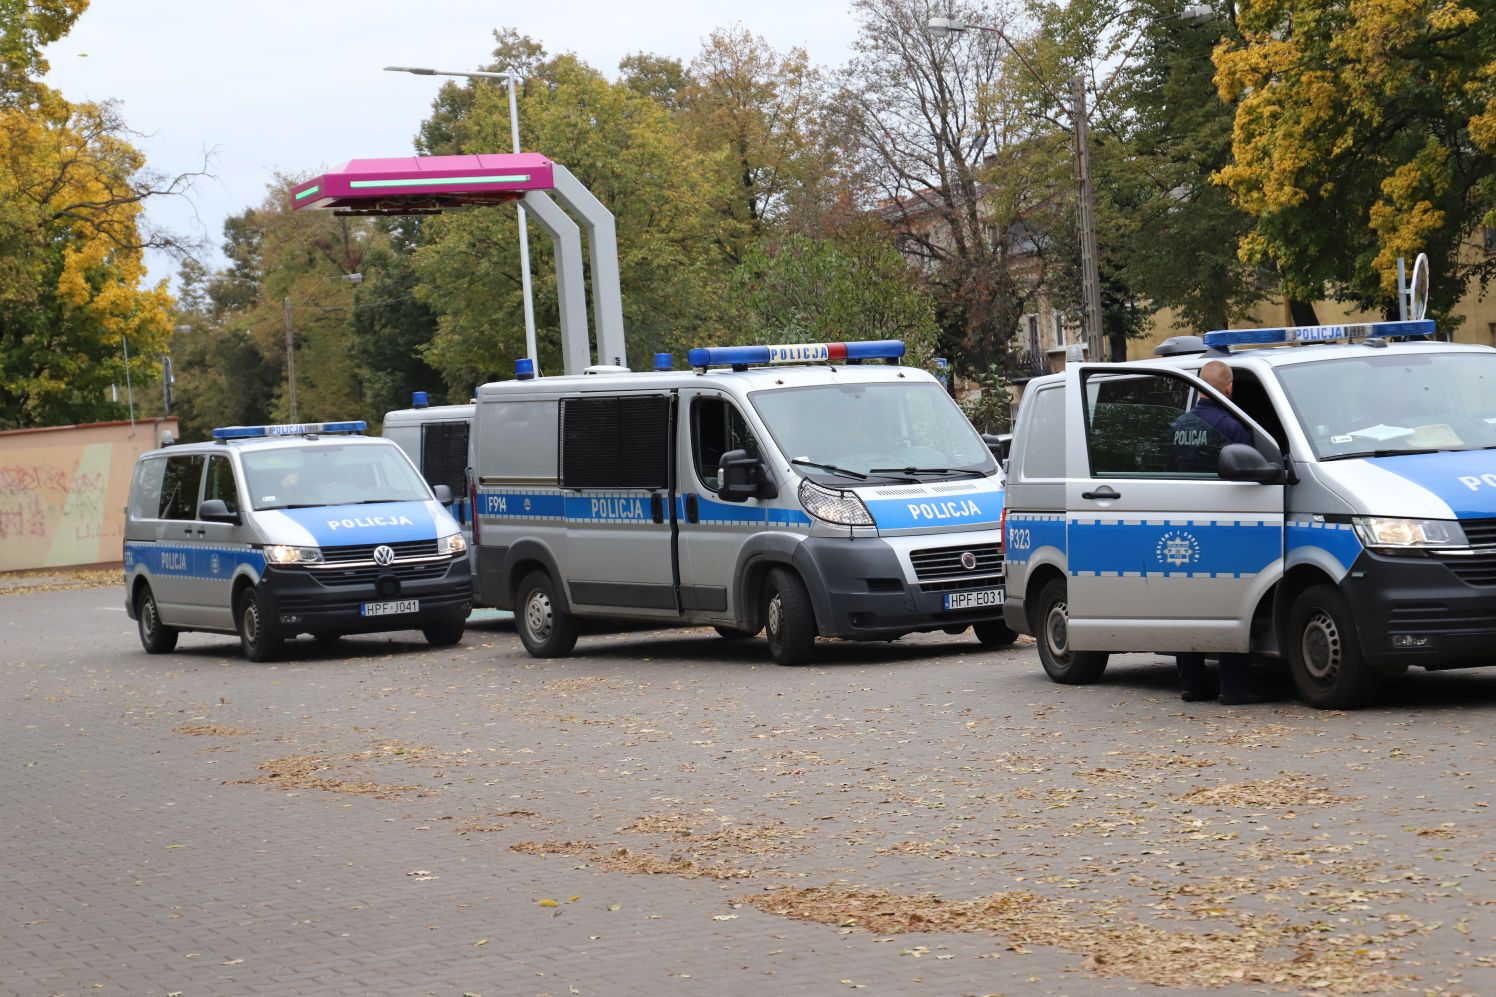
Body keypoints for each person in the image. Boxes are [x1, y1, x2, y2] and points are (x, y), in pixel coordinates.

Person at [1169, 361, 1271, 705]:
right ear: (1228, 389)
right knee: (1228, 601)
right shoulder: (1234, 427)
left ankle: (1191, 684)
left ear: (1200, 388)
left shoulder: (1176, 426)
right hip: (1222, 526)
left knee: (1186, 604)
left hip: (1181, 524)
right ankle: (1235, 686)